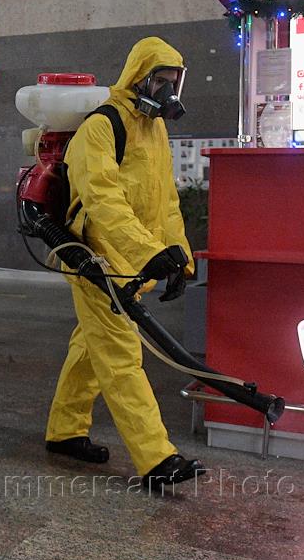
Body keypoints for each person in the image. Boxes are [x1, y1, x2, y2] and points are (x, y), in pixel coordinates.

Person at [44, 36, 203, 491]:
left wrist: (179, 258)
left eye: (173, 83)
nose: (167, 91)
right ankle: (156, 458)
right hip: (96, 260)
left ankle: (64, 431)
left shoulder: (155, 130)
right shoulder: (101, 126)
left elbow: (166, 201)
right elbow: (104, 200)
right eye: (160, 81)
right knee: (120, 356)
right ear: (139, 77)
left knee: (88, 348)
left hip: (132, 263)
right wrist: (150, 253)